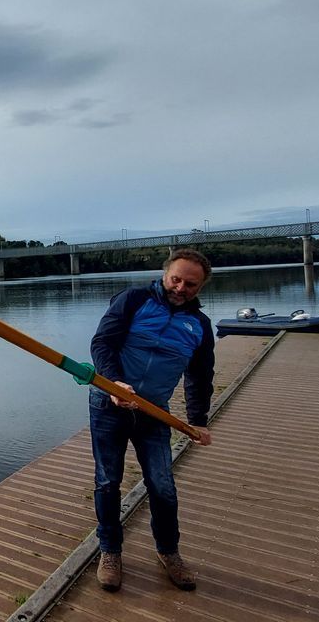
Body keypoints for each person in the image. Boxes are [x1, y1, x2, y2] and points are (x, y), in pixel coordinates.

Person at [89, 248, 215, 592]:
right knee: (107, 482)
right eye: (176, 279)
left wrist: (198, 419)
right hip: (108, 403)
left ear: (200, 287)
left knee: (162, 486)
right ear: (165, 274)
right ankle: (110, 552)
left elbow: (200, 376)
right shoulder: (133, 300)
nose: (180, 288)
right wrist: (113, 380)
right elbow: (102, 344)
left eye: (190, 284)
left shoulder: (199, 326)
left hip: (154, 411)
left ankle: (169, 552)